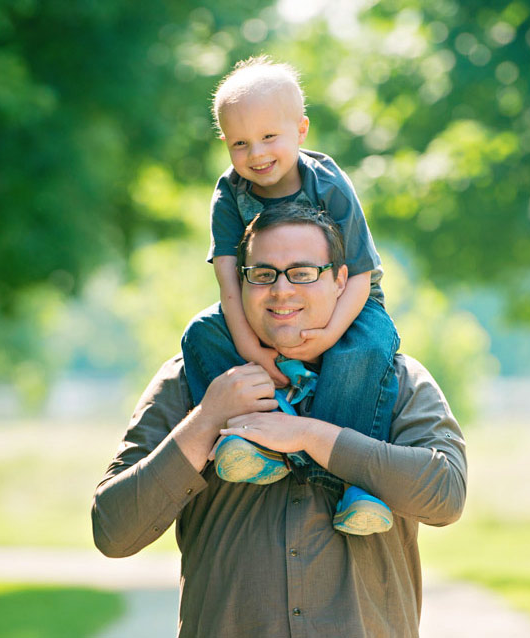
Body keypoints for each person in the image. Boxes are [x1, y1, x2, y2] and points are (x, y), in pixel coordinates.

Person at [92, 205, 467, 638]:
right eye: (263, 273)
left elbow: (446, 495)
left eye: (303, 272)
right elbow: (113, 532)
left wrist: (310, 435)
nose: (282, 290)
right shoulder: (191, 377)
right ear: (240, 282)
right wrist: (208, 418)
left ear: (341, 279)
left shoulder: (397, 379)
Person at [181, 55, 400, 532]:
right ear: (225, 144)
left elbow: (361, 274)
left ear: (300, 131)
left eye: (268, 137)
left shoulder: (328, 183)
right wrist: (249, 348)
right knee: (201, 334)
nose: (255, 153)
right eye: (239, 143)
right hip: (260, 304)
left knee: (368, 347)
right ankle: (256, 439)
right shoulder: (230, 194)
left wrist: (325, 337)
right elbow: (228, 281)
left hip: (347, 302)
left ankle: (355, 479)